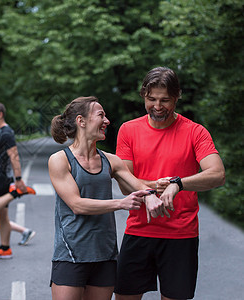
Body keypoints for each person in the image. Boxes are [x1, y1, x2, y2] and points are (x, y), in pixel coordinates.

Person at [114, 67, 226, 300]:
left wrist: (179, 183)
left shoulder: (195, 132)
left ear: (177, 96)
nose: (157, 106)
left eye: (165, 100)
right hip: (139, 230)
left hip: (181, 235)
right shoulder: (128, 130)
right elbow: (126, 184)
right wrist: (153, 190)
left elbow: (217, 174)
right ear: (143, 96)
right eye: (151, 99)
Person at [48, 96, 166, 300]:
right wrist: (120, 203)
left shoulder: (111, 161)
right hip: (71, 254)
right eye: (101, 115)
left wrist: (153, 194)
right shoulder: (59, 160)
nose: (107, 121)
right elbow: (76, 204)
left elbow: (137, 185)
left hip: (105, 254)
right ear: (81, 121)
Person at [0, 102, 36, 259]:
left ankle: (16, 192)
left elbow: (14, 155)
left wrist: (18, 179)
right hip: (2, 177)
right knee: (3, 217)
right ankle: (5, 248)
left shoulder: (6, 133)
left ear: (0, 114)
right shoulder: (1, 132)